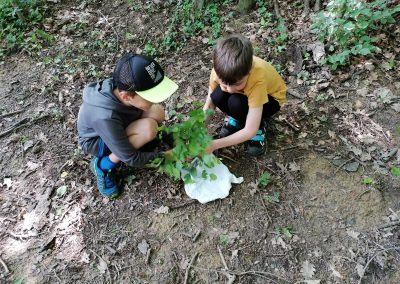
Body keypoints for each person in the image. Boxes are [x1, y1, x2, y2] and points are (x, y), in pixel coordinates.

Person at [77, 53, 178, 198]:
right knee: (148, 128)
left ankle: (143, 139)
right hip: (98, 141)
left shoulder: (124, 86)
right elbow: (131, 158)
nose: (156, 99)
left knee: (157, 111)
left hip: (120, 121)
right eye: (150, 97)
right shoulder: (104, 116)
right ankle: (103, 166)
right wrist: (171, 156)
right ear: (126, 96)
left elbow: (149, 108)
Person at [203, 34, 287, 156]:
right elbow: (209, 105)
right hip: (246, 97)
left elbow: (250, 130)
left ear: (249, 71)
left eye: (237, 84)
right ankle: (239, 118)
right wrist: (199, 130)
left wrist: (215, 144)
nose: (230, 90)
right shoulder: (218, 71)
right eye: (225, 85)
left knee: (236, 102)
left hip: (271, 100)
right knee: (216, 96)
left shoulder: (257, 79)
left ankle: (259, 124)